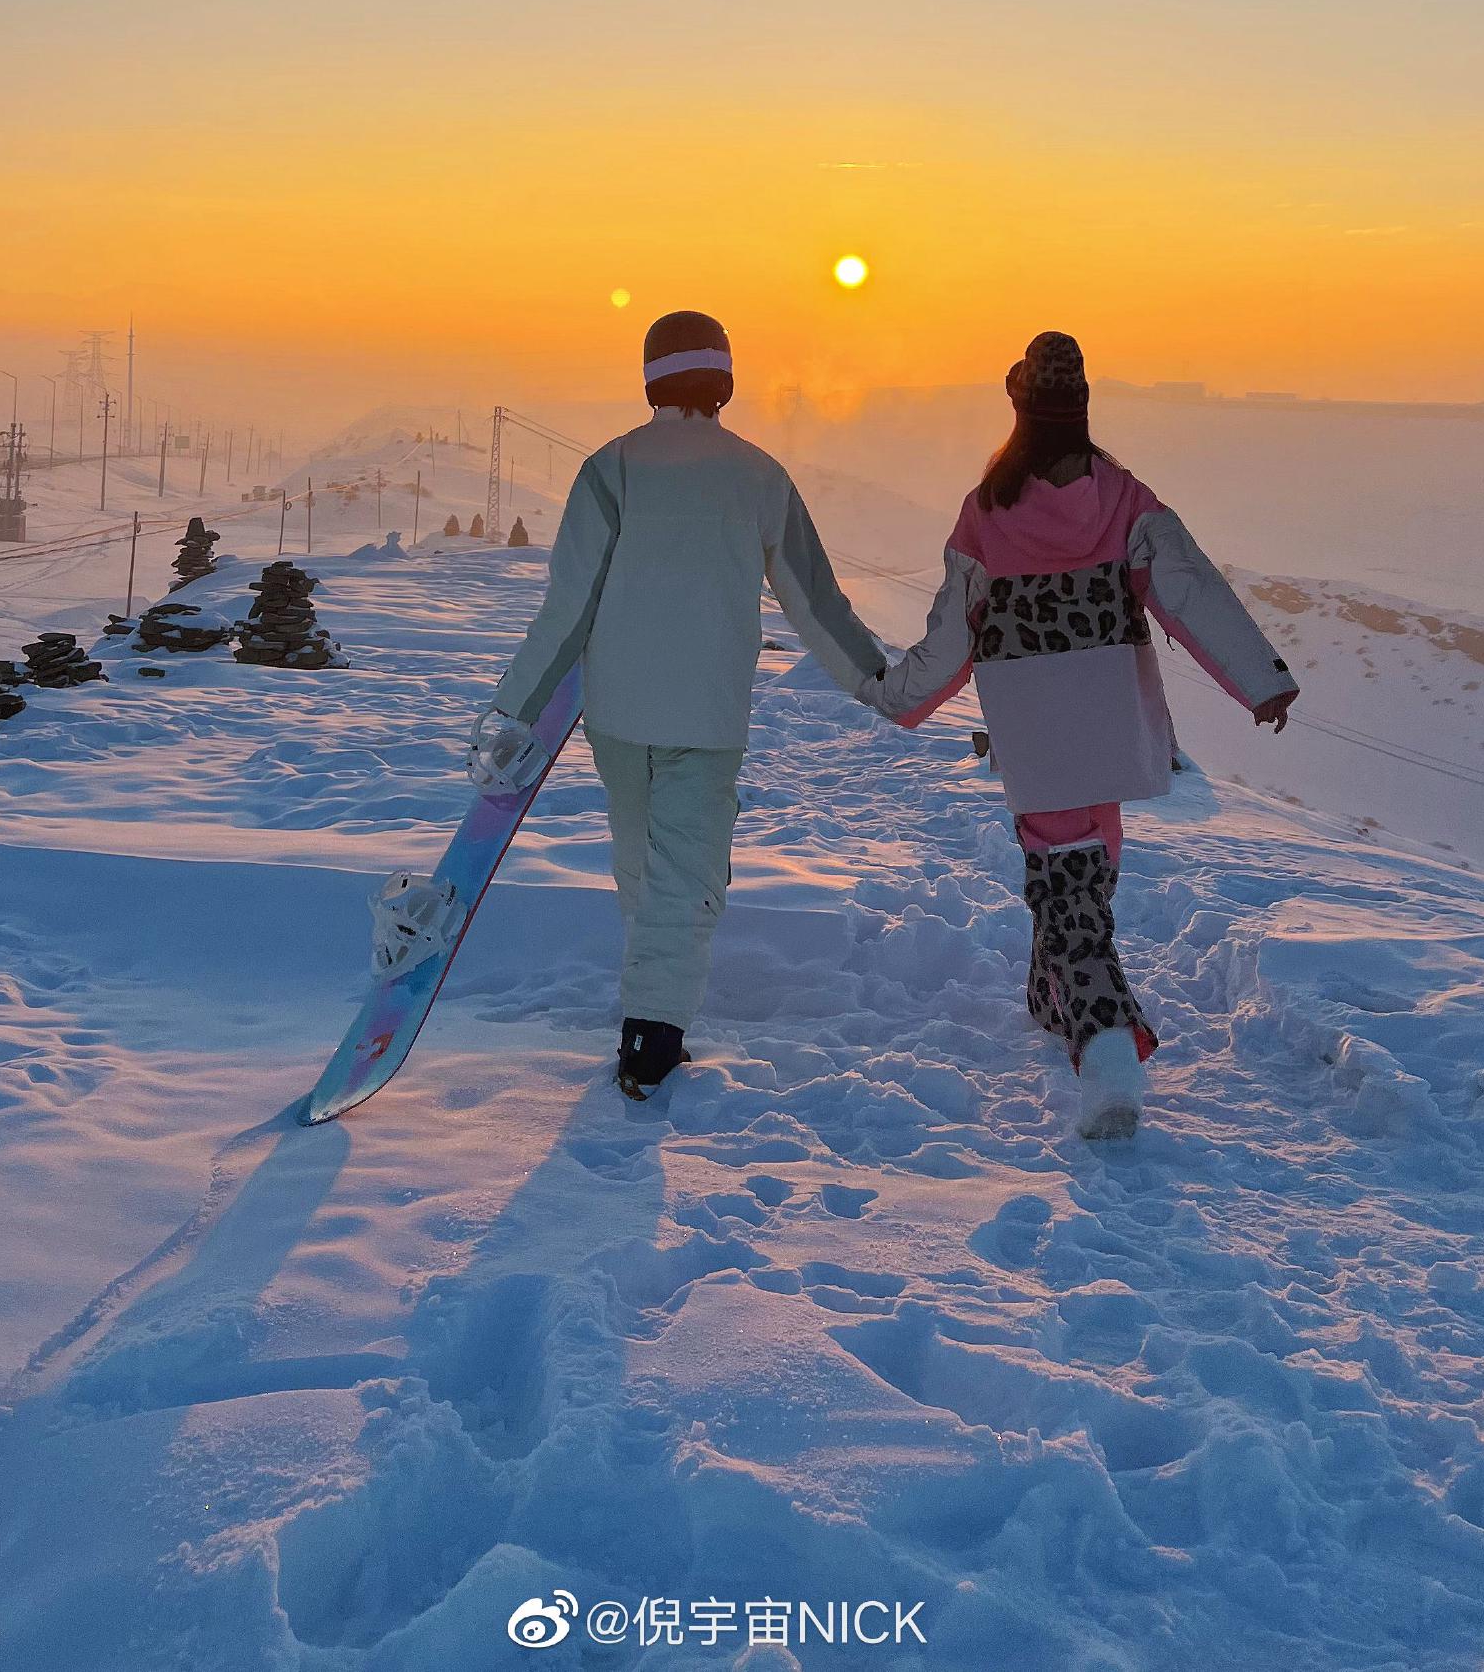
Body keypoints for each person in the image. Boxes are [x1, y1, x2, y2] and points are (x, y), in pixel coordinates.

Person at [860, 331, 1297, 1139]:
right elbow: (1190, 589)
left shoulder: (987, 513)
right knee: (1083, 874)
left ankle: (1107, 1055)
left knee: (1069, 891)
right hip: (1112, 726)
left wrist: (897, 695)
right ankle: (1047, 996)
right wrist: (1261, 679)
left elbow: (951, 637)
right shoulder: (1125, 499)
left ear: (1019, 411)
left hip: (1035, 731)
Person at [475, 309, 883, 1098]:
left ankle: (648, 1009)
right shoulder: (759, 475)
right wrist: (879, 682)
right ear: (725, 380)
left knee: (642, 866)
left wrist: (511, 713)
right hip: (706, 715)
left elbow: (567, 609)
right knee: (688, 874)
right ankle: (652, 1038)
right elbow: (815, 602)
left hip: (618, 715)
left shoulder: (609, 468)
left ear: (650, 377)